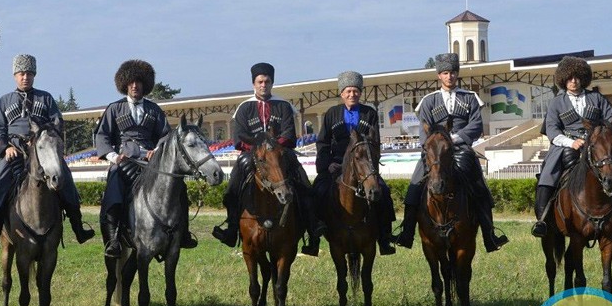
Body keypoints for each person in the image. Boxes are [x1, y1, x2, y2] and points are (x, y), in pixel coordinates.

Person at [393, 53, 509, 253]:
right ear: (439, 75)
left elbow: (476, 126)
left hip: (460, 149)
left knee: (480, 188)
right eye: (446, 73)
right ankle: (407, 232)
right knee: (415, 186)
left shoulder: (470, 98)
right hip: (434, 151)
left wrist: (453, 139)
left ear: (457, 74)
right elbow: (424, 131)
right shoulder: (429, 101)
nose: (450, 77)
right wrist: (436, 145)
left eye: (453, 73)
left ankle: (490, 235)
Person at [0, 54, 95, 248]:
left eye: (30, 74)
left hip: (43, 152)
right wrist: (5, 148)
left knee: (65, 177)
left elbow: (58, 123)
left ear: (34, 75)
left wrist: (47, 141)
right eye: (22, 73)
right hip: (15, 153)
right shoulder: (4, 101)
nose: (26, 77)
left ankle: (78, 226)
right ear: (15, 75)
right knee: (0, 181)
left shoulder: (46, 98)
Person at [211, 62, 327, 256]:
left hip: (281, 153)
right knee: (232, 189)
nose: (263, 85)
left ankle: (312, 229)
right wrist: (259, 148)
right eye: (260, 81)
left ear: (272, 83)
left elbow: (289, 133)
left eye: (267, 81)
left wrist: (273, 147)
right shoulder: (244, 108)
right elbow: (239, 137)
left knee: (304, 184)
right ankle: (231, 229)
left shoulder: (283, 106)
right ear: (254, 84)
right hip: (252, 155)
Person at [95, 59, 197, 257]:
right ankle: (114, 238)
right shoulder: (114, 109)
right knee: (114, 186)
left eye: (139, 82)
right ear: (125, 84)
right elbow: (102, 136)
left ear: (145, 85)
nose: (135, 86)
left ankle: (183, 233)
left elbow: (166, 135)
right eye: (131, 82)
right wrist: (114, 157)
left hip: (151, 163)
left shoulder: (154, 110)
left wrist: (157, 150)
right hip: (124, 162)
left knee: (179, 187)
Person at [532, 56, 612, 242]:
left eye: (577, 77)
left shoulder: (596, 98)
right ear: (563, 79)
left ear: (583, 78)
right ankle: (542, 221)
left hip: (596, 147)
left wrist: (606, 136)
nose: (573, 81)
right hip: (566, 147)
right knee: (546, 179)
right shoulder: (556, 103)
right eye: (569, 78)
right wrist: (571, 142)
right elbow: (552, 129)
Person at [312, 71, 396, 255]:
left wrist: (371, 165)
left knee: (384, 192)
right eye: (348, 91)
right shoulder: (331, 114)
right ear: (341, 93)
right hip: (336, 165)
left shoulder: (370, 114)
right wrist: (325, 167)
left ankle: (384, 236)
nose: (352, 95)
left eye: (356, 91)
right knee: (317, 190)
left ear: (360, 93)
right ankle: (314, 236)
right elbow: (323, 142)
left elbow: (375, 143)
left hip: (364, 166)